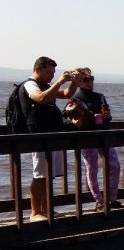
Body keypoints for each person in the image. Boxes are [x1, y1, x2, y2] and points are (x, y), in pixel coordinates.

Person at [22, 56, 81, 221]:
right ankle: (35, 212)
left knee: (49, 175)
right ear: (37, 69)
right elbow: (40, 98)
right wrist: (60, 82)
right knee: (40, 174)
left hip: (52, 135)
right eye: (49, 72)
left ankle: (47, 210)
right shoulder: (30, 84)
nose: (52, 76)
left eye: (54, 72)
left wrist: (74, 81)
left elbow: (67, 93)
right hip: (39, 136)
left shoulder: (46, 86)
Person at [69, 68, 121, 211]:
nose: (90, 82)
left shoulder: (100, 97)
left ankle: (111, 198)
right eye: (86, 80)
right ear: (79, 82)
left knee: (115, 165)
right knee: (92, 168)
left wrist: (107, 117)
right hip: (86, 138)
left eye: (92, 78)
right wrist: (80, 119)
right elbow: (68, 118)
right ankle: (99, 200)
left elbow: (108, 117)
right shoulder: (75, 99)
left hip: (103, 135)